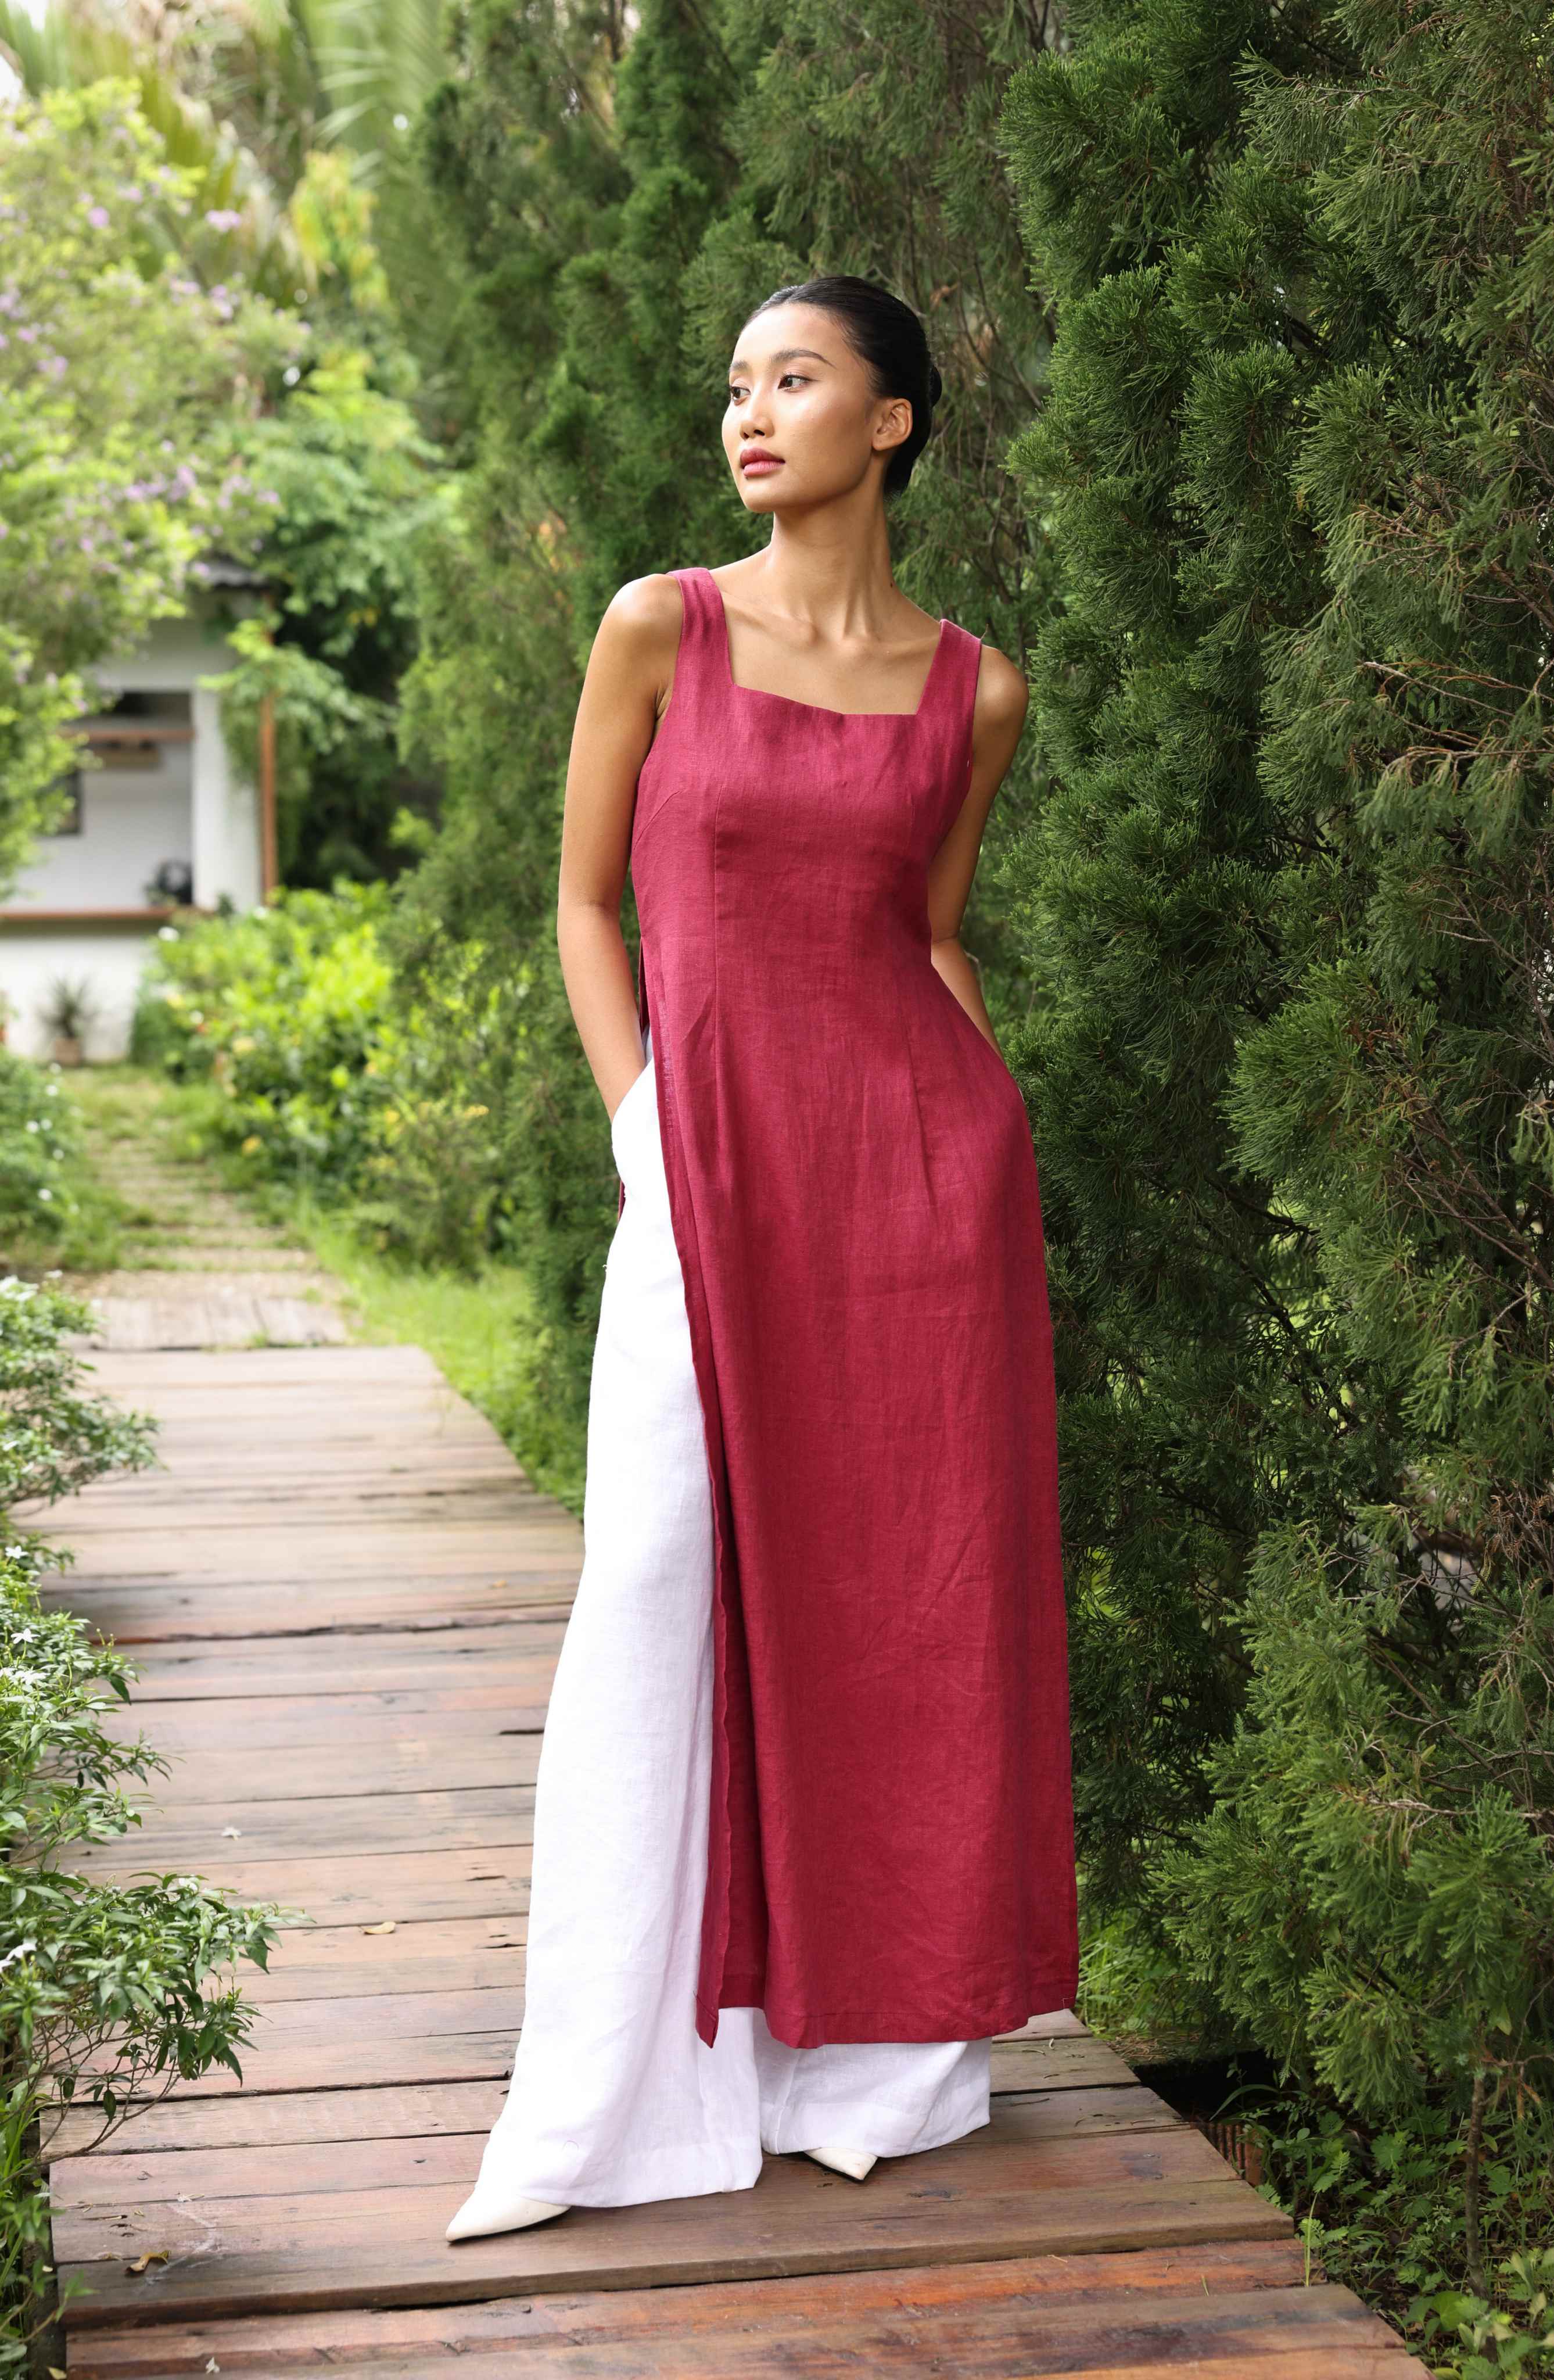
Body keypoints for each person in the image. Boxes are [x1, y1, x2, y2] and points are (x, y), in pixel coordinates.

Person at [447, 273, 1078, 2245]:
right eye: (735, 382)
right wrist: (646, 1133)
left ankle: (877, 2059)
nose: (749, 411)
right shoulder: (662, 624)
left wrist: (986, 1134)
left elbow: (935, 936)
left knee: (908, 1598)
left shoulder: (976, 685)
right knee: (655, 1563)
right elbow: (580, 905)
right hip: (704, 1166)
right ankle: (634, 2073)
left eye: (793, 379)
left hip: (915, 1188)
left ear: (887, 422)